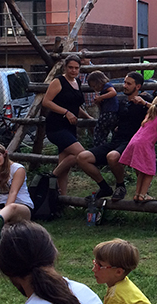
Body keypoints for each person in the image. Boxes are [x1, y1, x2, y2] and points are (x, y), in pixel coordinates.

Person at [43, 54, 111, 199]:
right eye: (70, 68)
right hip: (56, 126)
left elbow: (75, 105)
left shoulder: (77, 82)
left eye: (76, 68)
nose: (73, 71)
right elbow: (46, 102)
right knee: (81, 155)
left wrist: (87, 117)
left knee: (65, 164)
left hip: (70, 127)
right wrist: (66, 112)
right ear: (65, 67)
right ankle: (103, 185)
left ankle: (62, 199)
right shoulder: (58, 81)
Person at [79, 72, 154, 202]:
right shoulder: (121, 101)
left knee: (112, 157)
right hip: (116, 140)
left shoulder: (146, 99)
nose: (124, 86)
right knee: (82, 158)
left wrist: (144, 103)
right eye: (124, 82)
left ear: (138, 86)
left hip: (133, 142)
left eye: (128, 84)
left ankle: (120, 186)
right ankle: (104, 188)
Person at [118, 94, 157, 204]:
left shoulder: (149, 117)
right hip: (144, 146)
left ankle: (137, 194)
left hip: (134, 142)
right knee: (149, 171)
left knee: (142, 172)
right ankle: (143, 195)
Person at [86, 71, 118, 149]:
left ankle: (99, 148)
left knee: (98, 131)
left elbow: (113, 92)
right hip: (107, 113)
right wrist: (98, 103)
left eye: (95, 86)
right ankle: (103, 147)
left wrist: (101, 97)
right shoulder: (102, 93)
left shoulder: (107, 86)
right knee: (103, 132)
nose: (95, 88)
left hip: (109, 113)